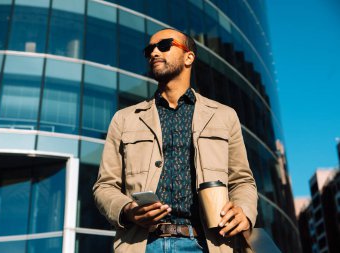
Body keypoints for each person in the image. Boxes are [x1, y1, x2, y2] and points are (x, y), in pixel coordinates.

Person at [93, 28, 258, 253]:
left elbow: (242, 180)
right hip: (142, 244)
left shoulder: (224, 115)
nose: (154, 53)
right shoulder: (124, 119)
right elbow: (105, 186)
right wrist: (128, 209)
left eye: (164, 45)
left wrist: (244, 211)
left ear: (189, 57)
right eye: (149, 49)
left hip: (206, 244)